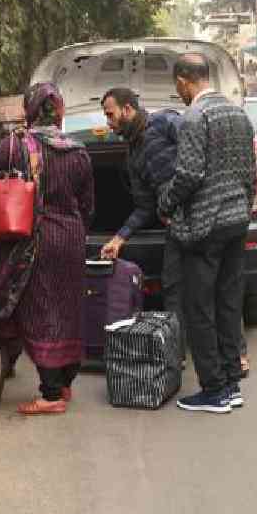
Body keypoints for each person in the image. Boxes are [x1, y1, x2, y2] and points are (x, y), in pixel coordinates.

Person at [0, 82, 94, 415]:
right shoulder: (78, 150)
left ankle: (50, 394)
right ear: (59, 110)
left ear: (31, 108)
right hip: (70, 240)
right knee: (67, 310)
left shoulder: (15, 145)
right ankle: (65, 384)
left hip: (31, 241)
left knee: (39, 312)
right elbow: (88, 205)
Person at [158, 54, 256, 414]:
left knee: (198, 308)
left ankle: (213, 389)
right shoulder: (238, 114)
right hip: (236, 221)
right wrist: (243, 208)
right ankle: (231, 383)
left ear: (184, 81)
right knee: (228, 304)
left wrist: (165, 204)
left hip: (204, 226)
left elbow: (188, 174)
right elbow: (250, 171)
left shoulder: (194, 117)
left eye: (177, 87)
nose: (179, 93)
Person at [98, 87, 186, 362]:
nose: (108, 122)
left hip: (204, 216)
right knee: (173, 289)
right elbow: (145, 207)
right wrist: (119, 238)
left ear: (127, 109)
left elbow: (199, 148)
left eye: (110, 115)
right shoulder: (133, 156)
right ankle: (176, 354)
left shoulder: (165, 122)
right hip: (176, 228)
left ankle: (236, 353)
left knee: (212, 288)